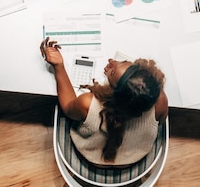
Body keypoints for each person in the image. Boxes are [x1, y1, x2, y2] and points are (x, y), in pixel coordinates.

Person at [40, 37, 168, 166]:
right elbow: (161, 122)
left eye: (112, 73)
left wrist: (59, 66)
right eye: (123, 61)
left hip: (91, 158)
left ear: (111, 93)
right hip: (134, 158)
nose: (111, 61)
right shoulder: (160, 101)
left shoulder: (88, 104)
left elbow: (67, 109)